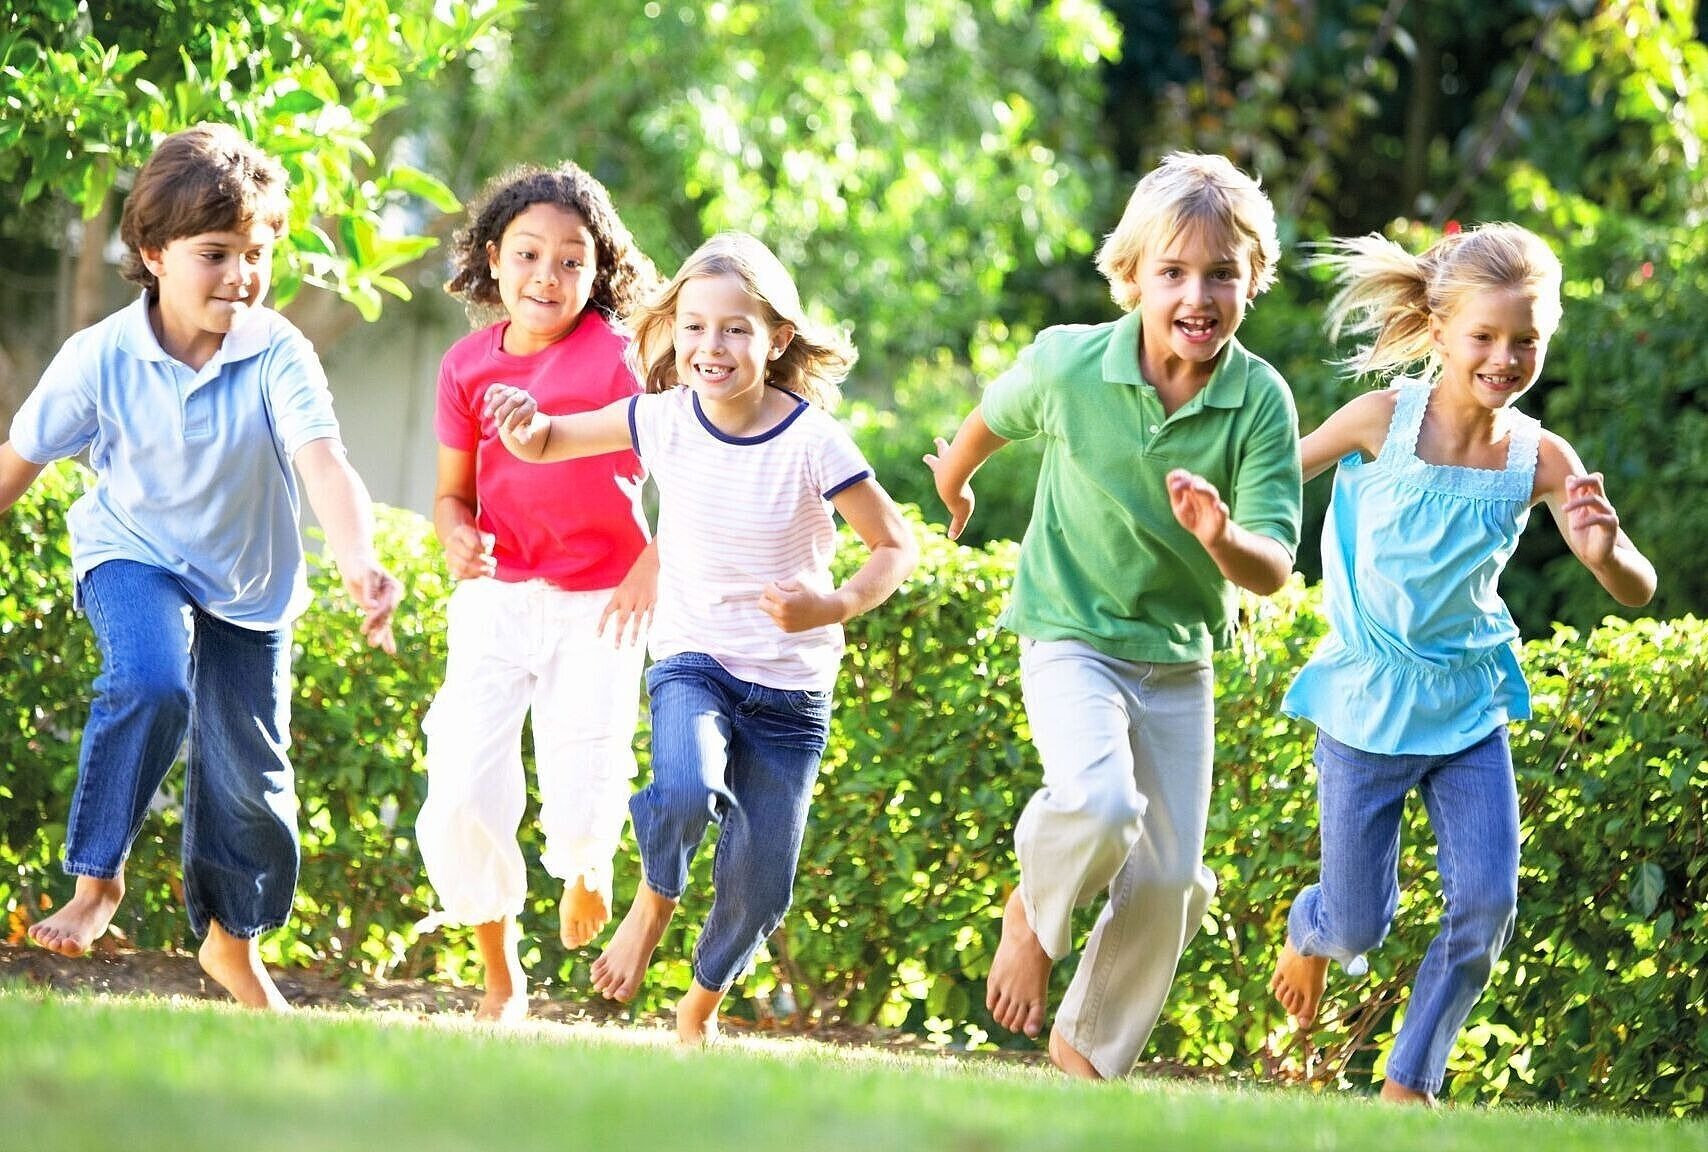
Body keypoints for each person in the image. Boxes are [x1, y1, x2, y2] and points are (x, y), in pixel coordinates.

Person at [0, 123, 401, 1009]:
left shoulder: (276, 351)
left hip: (248, 591)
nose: (241, 276)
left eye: (256, 253)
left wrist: (359, 561)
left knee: (253, 789)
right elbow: (14, 466)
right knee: (151, 682)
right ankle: (96, 879)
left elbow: (324, 462)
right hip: (132, 554)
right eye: (215, 253)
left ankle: (229, 943)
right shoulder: (98, 358)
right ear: (152, 251)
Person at [485, 231, 917, 1044]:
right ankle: (653, 902)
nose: (709, 347)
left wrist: (830, 606)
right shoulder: (664, 419)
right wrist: (521, 423)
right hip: (696, 660)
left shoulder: (813, 441)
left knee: (762, 886)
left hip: (791, 689)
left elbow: (895, 544)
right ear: (671, 331)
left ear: (776, 338)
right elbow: (548, 439)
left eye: (734, 329)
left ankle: (698, 1011)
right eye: (692, 326)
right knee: (683, 788)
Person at [925, 152, 1302, 1080]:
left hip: (1178, 660)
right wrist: (952, 479)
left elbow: (1273, 567)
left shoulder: (1260, 403)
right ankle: (1033, 916)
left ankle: (1086, 1058)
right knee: (1099, 802)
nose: (1198, 294)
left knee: (1173, 880)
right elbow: (990, 417)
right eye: (1173, 272)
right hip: (1069, 635)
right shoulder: (1070, 363)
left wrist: (1219, 535)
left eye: (1222, 272)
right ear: (1131, 276)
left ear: (1254, 278)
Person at [1269, 222, 1656, 1104]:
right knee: (1360, 924)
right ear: (1439, 330)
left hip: (1468, 708)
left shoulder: (1541, 458)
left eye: (1526, 339)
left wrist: (1604, 553)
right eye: (1484, 336)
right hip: (1368, 704)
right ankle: (1312, 926)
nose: (1506, 355)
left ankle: (1411, 1078)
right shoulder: (1382, 421)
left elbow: (1637, 586)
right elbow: (1275, 475)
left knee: (1486, 904)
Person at [412, 162, 661, 1023]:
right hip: (500, 592)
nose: (546, 277)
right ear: (493, 258)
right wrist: (453, 532)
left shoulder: (625, 358)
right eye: (527, 255)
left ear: (600, 271)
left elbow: (698, 464)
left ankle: (587, 867)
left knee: (586, 769)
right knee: (461, 787)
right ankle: (500, 974)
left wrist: (652, 563)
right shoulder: (466, 366)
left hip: (604, 601)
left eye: (570, 261)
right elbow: (453, 493)